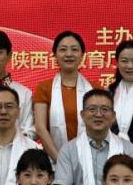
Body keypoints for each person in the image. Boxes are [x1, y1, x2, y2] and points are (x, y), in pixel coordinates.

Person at [55, 89, 133, 185]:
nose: (98, 114)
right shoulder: (69, 150)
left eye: (105, 109)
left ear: (113, 116)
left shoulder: (127, 148)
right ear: (82, 115)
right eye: (92, 109)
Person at [34, 31, 93, 161]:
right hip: (54, 161)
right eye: (63, 49)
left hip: (90, 159)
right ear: (54, 55)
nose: (69, 54)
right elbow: (40, 128)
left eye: (74, 49)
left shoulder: (95, 88)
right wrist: (60, 160)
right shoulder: (44, 88)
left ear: (82, 55)